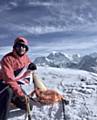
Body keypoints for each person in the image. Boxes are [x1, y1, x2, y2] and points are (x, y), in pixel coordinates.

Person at [0, 36, 37, 120]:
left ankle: (11, 100)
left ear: (26, 48)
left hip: (14, 87)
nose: (21, 48)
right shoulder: (7, 59)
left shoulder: (25, 58)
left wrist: (31, 66)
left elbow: (27, 66)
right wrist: (20, 94)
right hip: (3, 85)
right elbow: (9, 79)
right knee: (8, 92)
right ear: (15, 47)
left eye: (24, 46)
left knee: (28, 106)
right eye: (19, 45)